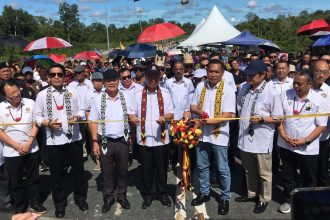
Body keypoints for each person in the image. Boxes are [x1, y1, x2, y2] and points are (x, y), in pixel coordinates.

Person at [33, 63, 88, 218]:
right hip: (54, 141)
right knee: (57, 175)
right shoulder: (42, 95)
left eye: (59, 74)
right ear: (49, 78)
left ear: (65, 76)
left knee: (78, 172)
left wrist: (77, 116)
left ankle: (80, 198)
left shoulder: (73, 91)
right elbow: (36, 117)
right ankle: (60, 203)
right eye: (53, 75)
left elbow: (83, 110)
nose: (56, 77)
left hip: (74, 139)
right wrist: (48, 123)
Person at [235, 60, 284, 214]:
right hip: (244, 137)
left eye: (252, 74)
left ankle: (264, 199)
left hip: (261, 139)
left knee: (264, 172)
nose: (249, 77)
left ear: (263, 75)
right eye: (247, 74)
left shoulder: (271, 92)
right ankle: (251, 193)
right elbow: (239, 107)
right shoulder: (244, 87)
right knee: (249, 170)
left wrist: (263, 119)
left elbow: (279, 117)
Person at [277, 71, 327, 214]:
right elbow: (278, 119)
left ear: (310, 84)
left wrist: (305, 140)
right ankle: (288, 200)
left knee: (308, 177)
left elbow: (321, 126)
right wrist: (284, 135)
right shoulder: (285, 95)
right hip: (286, 143)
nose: (296, 86)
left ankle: (308, 202)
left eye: (300, 83)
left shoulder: (319, 100)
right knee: (288, 175)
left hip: (307, 147)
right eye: (294, 83)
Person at [190, 59, 236, 216]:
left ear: (222, 73)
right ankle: (204, 192)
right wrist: (200, 113)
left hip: (219, 136)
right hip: (202, 135)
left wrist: (206, 120)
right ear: (206, 71)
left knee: (222, 168)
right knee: (202, 166)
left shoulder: (228, 90)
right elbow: (193, 106)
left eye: (217, 71)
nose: (214, 74)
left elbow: (227, 115)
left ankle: (224, 197)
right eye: (211, 71)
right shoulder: (200, 86)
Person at [128, 65, 173, 209]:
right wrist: (133, 118)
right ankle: (148, 194)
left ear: (159, 77)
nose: (153, 79)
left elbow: (171, 113)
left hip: (161, 138)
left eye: (155, 76)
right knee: (146, 169)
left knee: (161, 168)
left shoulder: (165, 93)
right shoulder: (137, 94)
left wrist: (164, 118)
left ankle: (162, 193)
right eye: (150, 76)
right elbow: (131, 113)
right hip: (144, 138)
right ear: (145, 77)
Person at [0, 79, 47, 214]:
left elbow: (35, 123)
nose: (15, 95)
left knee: (34, 178)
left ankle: (35, 203)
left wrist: (29, 142)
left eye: (16, 91)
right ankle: (20, 206)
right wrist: (16, 145)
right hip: (11, 151)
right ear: (4, 96)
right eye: (11, 94)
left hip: (31, 148)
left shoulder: (30, 103)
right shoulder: (1, 108)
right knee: (16, 181)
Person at [90, 69, 132, 213]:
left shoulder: (126, 96)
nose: (112, 82)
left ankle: (121, 195)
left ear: (118, 81)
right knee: (106, 171)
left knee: (122, 170)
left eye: (114, 79)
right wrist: (95, 141)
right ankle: (108, 197)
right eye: (108, 80)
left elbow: (132, 116)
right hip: (105, 141)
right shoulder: (97, 99)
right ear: (104, 83)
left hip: (122, 141)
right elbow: (93, 122)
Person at [165, 61, 194, 170]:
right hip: (172, 118)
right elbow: (165, 99)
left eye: (180, 69)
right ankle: (172, 162)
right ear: (173, 70)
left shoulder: (189, 82)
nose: (178, 71)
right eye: (176, 69)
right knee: (172, 142)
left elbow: (191, 99)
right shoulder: (168, 83)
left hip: (184, 117)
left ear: (183, 70)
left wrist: (188, 113)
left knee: (184, 142)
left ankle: (183, 163)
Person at [311, 60, 330, 186]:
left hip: (323, 137)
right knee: (309, 170)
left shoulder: (328, 91)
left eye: (324, 72)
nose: (321, 75)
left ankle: (323, 199)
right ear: (313, 72)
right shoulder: (305, 87)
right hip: (306, 137)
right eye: (318, 71)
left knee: (322, 170)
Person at [84, 72, 104, 171]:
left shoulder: (107, 91)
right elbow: (87, 111)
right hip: (94, 123)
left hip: (105, 123)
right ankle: (98, 161)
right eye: (96, 81)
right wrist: (89, 123)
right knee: (95, 141)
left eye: (100, 81)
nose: (98, 83)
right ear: (92, 82)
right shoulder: (88, 95)